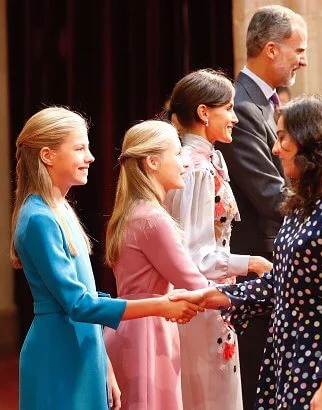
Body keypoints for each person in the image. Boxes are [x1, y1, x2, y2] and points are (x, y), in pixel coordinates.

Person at [172, 95, 322, 409]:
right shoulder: (303, 204)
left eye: (282, 138)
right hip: (287, 354)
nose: (274, 148)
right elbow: (280, 284)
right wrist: (215, 296)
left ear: (312, 141)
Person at [10, 107, 202, 410]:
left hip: (84, 348)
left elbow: (86, 297)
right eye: (80, 148)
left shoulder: (61, 209)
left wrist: (105, 364)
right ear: (47, 155)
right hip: (58, 353)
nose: (91, 157)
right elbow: (78, 304)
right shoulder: (38, 218)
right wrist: (160, 305)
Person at [164, 69, 273, 409]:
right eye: (228, 108)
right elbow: (193, 254)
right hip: (200, 296)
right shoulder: (194, 167)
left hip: (216, 295)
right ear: (203, 112)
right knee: (209, 395)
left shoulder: (211, 160)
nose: (235, 118)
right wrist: (250, 263)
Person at [217, 5, 308, 406]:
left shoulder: (267, 103)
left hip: (275, 262)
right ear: (271, 49)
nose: (303, 59)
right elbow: (270, 194)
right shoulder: (242, 107)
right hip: (258, 262)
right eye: (298, 49)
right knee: (259, 382)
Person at [102, 120, 214, 409]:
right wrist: (249, 295)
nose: (184, 162)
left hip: (126, 328)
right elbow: (194, 282)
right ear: (152, 162)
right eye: (177, 154)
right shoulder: (153, 219)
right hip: (146, 336)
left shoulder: (129, 213)